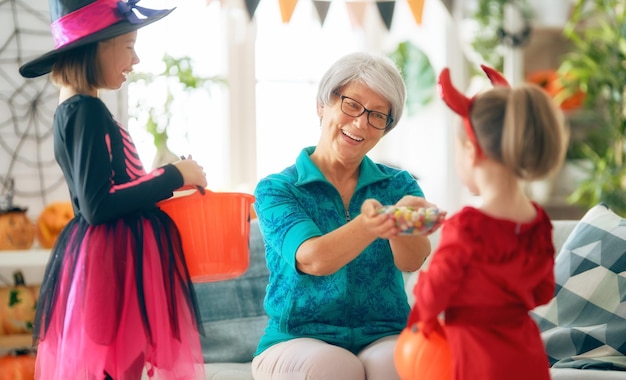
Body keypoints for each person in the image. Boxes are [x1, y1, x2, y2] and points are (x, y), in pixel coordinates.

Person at [19, 1, 207, 379]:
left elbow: (115, 186)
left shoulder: (80, 109)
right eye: (128, 46)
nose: (135, 59)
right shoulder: (85, 111)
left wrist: (170, 178)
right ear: (96, 47)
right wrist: (173, 174)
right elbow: (98, 204)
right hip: (111, 260)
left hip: (114, 255)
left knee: (121, 367)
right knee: (114, 366)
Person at [251, 51, 443, 380]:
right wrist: (373, 223)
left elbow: (412, 261)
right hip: (297, 339)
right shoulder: (278, 189)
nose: (360, 123)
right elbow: (313, 259)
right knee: (336, 367)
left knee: (402, 364)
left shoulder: (398, 185)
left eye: (377, 116)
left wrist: (401, 221)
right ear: (322, 104)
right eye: (352, 104)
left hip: (383, 332)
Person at [407, 65, 568, 380]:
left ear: (472, 151)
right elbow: (543, 291)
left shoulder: (467, 226)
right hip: (527, 354)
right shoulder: (538, 223)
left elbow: (433, 294)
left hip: (479, 356)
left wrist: (419, 319)